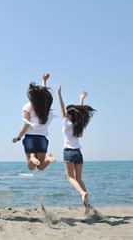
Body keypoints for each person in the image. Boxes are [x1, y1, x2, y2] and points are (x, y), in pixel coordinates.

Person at [57, 86, 96, 215]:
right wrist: (81, 98)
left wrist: (59, 94)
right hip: (78, 153)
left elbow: (62, 108)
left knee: (70, 177)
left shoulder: (65, 123)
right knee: (79, 179)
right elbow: (79, 112)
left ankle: (82, 193)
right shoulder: (78, 124)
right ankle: (87, 206)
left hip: (68, 152)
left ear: (68, 114)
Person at [12, 73, 56, 171]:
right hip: (42, 139)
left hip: (30, 139)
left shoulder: (28, 107)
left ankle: (32, 158)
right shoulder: (45, 107)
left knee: (31, 168)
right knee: (41, 167)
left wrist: (18, 137)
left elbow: (26, 125)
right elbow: (43, 94)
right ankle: (48, 158)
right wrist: (44, 80)